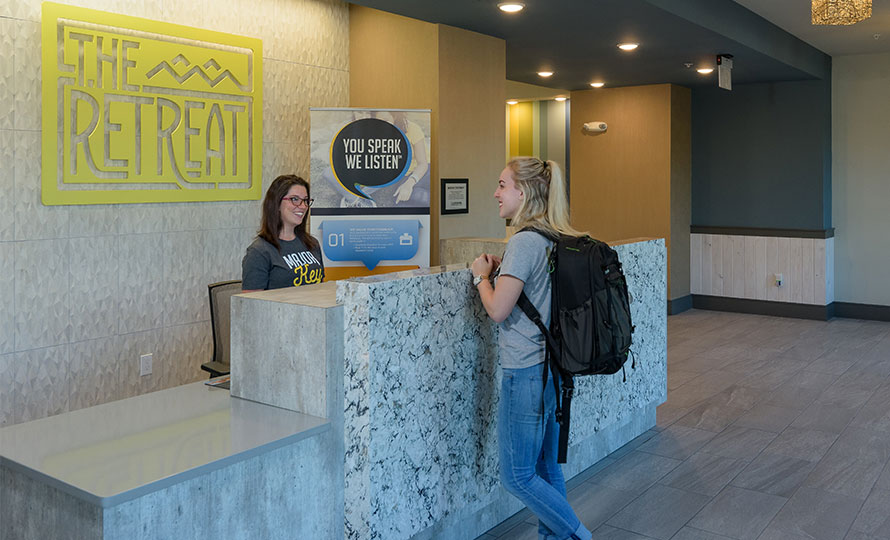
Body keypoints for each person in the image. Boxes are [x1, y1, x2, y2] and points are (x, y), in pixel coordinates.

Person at [471, 157, 591, 540]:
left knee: (517, 476)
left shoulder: (524, 241)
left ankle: (577, 534)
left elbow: (497, 309)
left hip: (525, 372)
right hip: (553, 369)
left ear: (523, 193)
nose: (496, 193)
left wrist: (480, 276)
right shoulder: (552, 236)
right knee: (545, 467)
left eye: (502, 184)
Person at [242, 175, 325, 291]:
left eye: (306, 200)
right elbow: (251, 305)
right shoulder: (259, 251)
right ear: (276, 203)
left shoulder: (312, 243)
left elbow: (320, 288)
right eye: (295, 199)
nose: (303, 206)